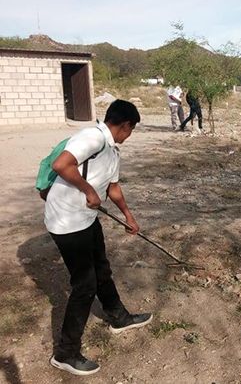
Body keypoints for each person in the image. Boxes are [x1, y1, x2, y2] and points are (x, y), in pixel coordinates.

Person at [45, 100, 152, 375]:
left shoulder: (112, 151)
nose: (129, 136)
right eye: (131, 130)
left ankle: (118, 317)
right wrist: (89, 190)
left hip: (85, 219)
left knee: (102, 268)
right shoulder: (92, 137)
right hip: (66, 220)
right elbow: (61, 165)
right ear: (125, 125)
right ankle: (65, 353)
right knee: (84, 285)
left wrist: (128, 216)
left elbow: (113, 188)